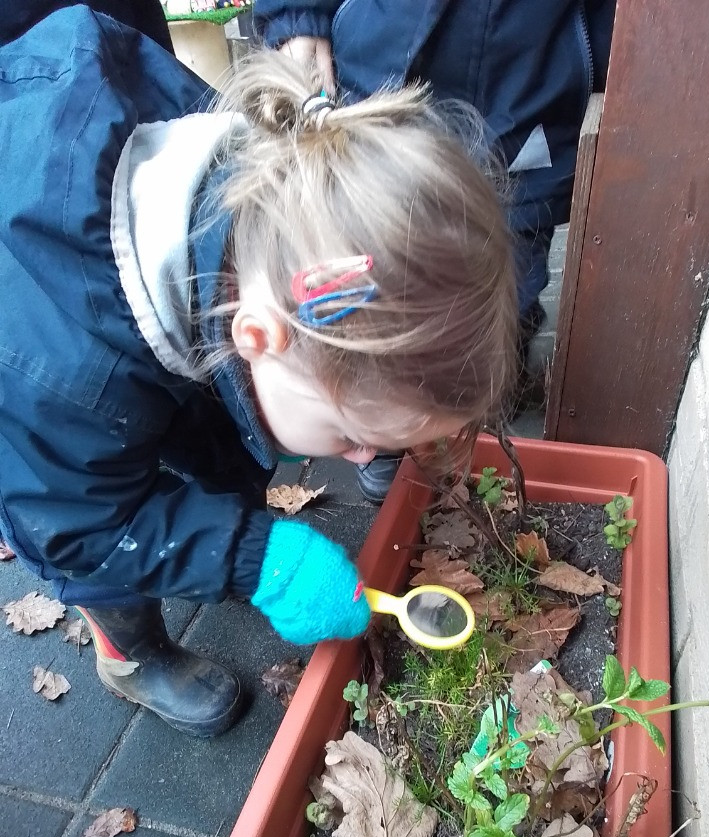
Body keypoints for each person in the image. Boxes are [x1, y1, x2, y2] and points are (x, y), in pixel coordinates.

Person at [0, 6, 517, 738]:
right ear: (259, 334)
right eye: (353, 435)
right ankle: (131, 652)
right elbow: (79, 527)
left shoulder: (266, 206)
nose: (367, 458)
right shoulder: (69, 379)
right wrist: (252, 557)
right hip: (37, 399)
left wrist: (242, 539)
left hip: (125, 306)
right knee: (104, 537)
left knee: (212, 425)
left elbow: (238, 404)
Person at [251, 0, 616, 500]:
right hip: (388, 76)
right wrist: (297, 14)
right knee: (377, 312)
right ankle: (382, 438)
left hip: (533, 94)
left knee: (508, 288)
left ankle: (462, 420)